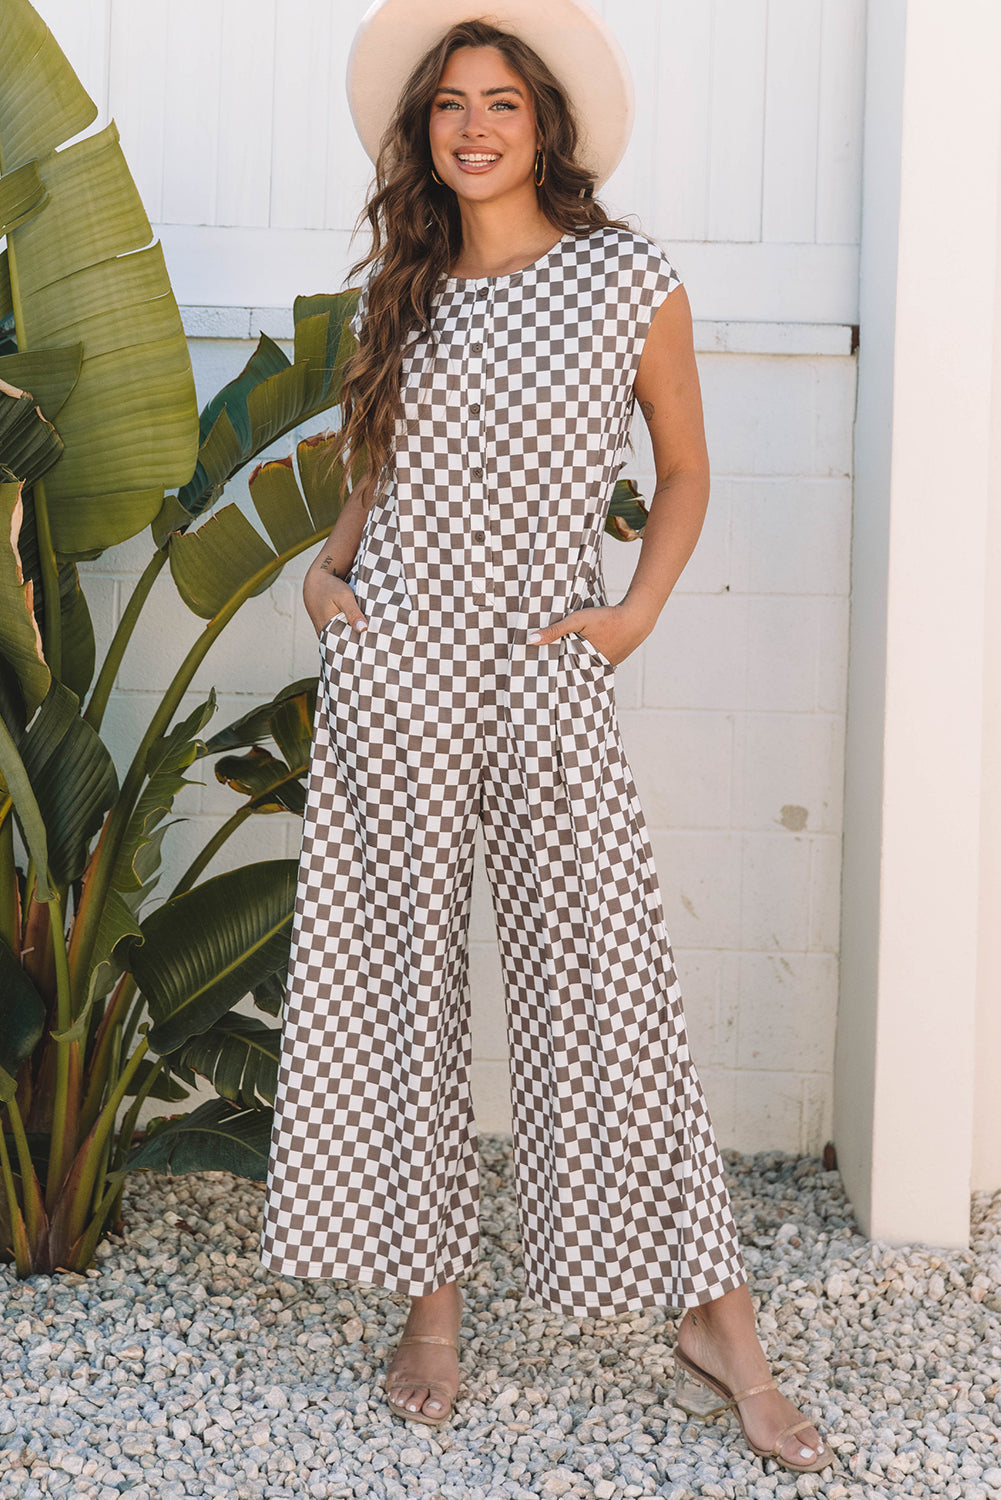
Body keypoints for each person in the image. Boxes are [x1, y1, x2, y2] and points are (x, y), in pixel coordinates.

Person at [258, 0, 835, 1476]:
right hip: (396, 660)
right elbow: (376, 465)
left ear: (545, 126)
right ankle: (430, 1309)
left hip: (542, 657)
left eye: (500, 104)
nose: (472, 127)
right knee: (397, 982)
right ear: (422, 129)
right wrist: (329, 567)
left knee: (606, 980)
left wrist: (631, 615)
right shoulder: (404, 286)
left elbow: (683, 468)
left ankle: (719, 1326)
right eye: (449, 104)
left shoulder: (624, 276)